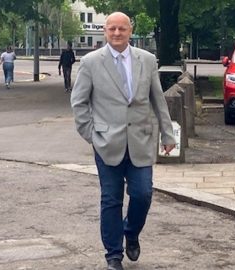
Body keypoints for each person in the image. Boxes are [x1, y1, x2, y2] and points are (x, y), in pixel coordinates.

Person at [70, 12, 176, 270]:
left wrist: (167, 133)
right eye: (112, 29)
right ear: (105, 32)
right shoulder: (92, 62)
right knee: (111, 199)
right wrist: (92, 135)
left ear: (131, 31)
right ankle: (113, 255)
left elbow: (157, 99)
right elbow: (79, 102)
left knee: (143, 194)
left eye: (122, 29)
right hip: (107, 142)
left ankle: (131, 231)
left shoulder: (147, 60)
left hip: (140, 139)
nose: (117, 33)